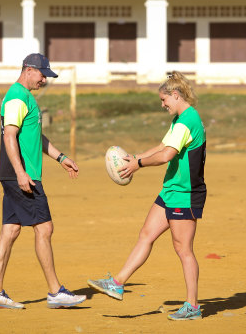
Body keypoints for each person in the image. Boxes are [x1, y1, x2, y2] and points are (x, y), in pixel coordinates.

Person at [87, 71, 207, 321]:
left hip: (185, 194)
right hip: (171, 191)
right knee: (146, 234)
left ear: (176, 95)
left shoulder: (187, 121)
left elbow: (166, 156)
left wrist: (138, 165)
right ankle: (118, 283)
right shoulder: (180, 120)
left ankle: (193, 306)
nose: (162, 105)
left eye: (164, 100)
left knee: (183, 249)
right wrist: (135, 157)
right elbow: (162, 146)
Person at [0, 53, 86, 310]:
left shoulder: (25, 98)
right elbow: (10, 136)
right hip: (22, 175)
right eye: (42, 75)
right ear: (29, 70)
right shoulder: (17, 97)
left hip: (17, 174)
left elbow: (35, 137)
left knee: (11, 229)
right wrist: (20, 173)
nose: (44, 80)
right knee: (44, 228)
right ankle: (55, 292)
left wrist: (60, 157)